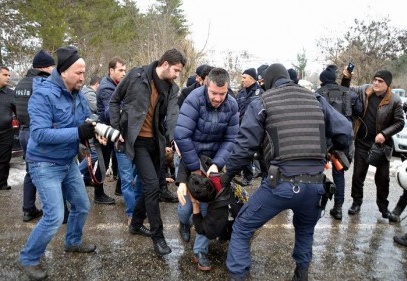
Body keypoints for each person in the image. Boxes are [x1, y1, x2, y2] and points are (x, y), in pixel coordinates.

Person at [221, 63, 353, 281]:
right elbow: (345, 131)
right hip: (315, 186)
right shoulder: (316, 99)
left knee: (242, 227)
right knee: (305, 230)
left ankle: (238, 276)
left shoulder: (262, 102)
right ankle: (301, 276)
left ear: (270, 81)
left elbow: (244, 147)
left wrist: (227, 176)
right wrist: (330, 147)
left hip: (279, 184)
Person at [19, 46, 103, 281]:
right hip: (44, 163)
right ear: (63, 71)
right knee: (55, 215)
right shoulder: (43, 94)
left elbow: (88, 119)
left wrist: (96, 130)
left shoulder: (77, 93)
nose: (83, 78)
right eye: (79, 73)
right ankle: (29, 258)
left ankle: (73, 242)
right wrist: (78, 132)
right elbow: (40, 134)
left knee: (81, 205)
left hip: (67, 161)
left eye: (84, 73)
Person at [109, 48, 186, 256]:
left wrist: (174, 137)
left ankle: (135, 223)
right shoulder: (137, 75)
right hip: (136, 142)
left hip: (156, 142)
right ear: (165, 64)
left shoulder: (172, 88)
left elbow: (172, 114)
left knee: (146, 187)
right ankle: (158, 236)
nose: (177, 75)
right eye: (176, 70)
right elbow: (114, 101)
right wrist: (116, 129)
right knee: (153, 187)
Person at [175, 67, 239, 271]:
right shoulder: (193, 100)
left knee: (208, 205)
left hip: (213, 161)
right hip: (188, 156)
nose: (218, 98)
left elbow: (231, 139)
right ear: (205, 85)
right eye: (214, 93)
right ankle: (184, 222)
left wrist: (216, 164)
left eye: (223, 93)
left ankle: (200, 250)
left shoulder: (232, 105)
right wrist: (194, 169)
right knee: (186, 206)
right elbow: (182, 136)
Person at [343, 69, 404, 221]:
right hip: (362, 142)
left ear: (387, 84)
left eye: (380, 81)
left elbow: (400, 122)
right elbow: (345, 90)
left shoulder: (395, 101)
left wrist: (384, 134)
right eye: (375, 79)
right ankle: (356, 203)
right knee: (358, 175)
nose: (376, 83)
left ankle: (383, 207)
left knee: (383, 179)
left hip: (382, 146)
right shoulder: (365, 90)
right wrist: (346, 77)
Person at [14, 50, 56, 222]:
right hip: (38, 133)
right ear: (45, 67)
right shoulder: (42, 82)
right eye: (52, 66)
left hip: (23, 132)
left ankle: (28, 209)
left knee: (30, 171)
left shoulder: (21, 83)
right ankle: (55, 212)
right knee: (49, 170)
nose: (54, 70)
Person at [315, 64, 357, 221]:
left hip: (324, 140)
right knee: (339, 175)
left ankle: (315, 205)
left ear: (321, 80)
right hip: (342, 139)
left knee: (316, 172)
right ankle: (338, 208)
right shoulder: (349, 93)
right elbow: (358, 111)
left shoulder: (318, 94)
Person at [92, 56, 126, 204]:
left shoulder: (117, 84)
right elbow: (109, 112)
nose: (124, 73)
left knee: (120, 158)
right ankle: (98, 194)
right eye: (120, 70)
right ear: (111, 70)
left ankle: (120, 188)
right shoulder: (106, 87)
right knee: (103, 163)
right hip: (104, 131)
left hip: (113, 129)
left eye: (125, 70)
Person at [234, 68, 264, 186]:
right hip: (241, 127)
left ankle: (264, 177)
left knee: (259, 154)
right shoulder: (241, 93)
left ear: (252, 78)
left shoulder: (260, 93)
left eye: (244, 77)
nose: (242, 80)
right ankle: (247, 176)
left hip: (256, 128)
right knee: (243, 150)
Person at [0, 66, 16, 190]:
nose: (8, 77)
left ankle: (2, 184)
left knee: (4, 158)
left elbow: (18, 111)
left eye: (9, 75)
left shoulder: (11, 93)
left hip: (6, 132)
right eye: (5, 75)